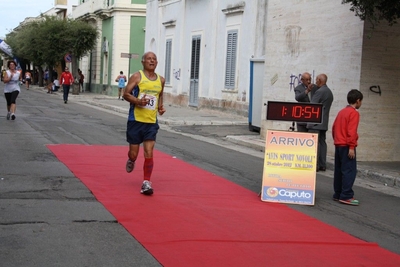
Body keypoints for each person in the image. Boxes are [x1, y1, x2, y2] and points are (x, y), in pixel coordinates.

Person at [123, 52, 166, 195]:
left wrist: (160, 107)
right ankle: (131, 159)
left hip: (151, 122)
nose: (152, 61)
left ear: (157, 63)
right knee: (134, 154)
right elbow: (126, 94)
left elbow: (159, 95)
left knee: (149, 151)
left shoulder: (161, 80)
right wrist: (138, 101)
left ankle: (146, 182)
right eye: (149, 59)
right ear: (143, 62)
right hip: (135, 120)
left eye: (154, 59)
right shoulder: (137, 76)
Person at [332, 89, 363, 205]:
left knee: (339, 170)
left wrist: (337, 140)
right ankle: (346, 195)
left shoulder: (341, 112)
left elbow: (334, 127)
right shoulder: (354, 113)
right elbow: (352, 131)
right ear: (358, 100)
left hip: (338, 144)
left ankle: (338, 193)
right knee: (349, 170)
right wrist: (351, 146)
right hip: (347, 145)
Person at [307, 74, 334, 172]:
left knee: (315, 144)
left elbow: (312, 106)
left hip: (315, 123)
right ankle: (323, 164)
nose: (315, 81)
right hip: (324, 122)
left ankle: (315, 165)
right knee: (322, 143)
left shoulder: (320, 92)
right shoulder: (329, 92)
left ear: (319, 80)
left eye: (316, 80)